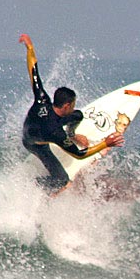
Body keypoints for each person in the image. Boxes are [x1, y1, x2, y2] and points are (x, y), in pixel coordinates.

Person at [19, 34, 124, 193]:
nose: (73, 107)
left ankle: (72, 133)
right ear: (66, 105)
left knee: (78, 115)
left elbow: (33, 72)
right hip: (34, 143)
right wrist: (106, 143)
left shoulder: (42, 99)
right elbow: (80, 154)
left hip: (40, 126)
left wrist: (30, 48)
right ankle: (35, 187)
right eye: (73, 104)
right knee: (62, 180)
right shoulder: (56, 133)